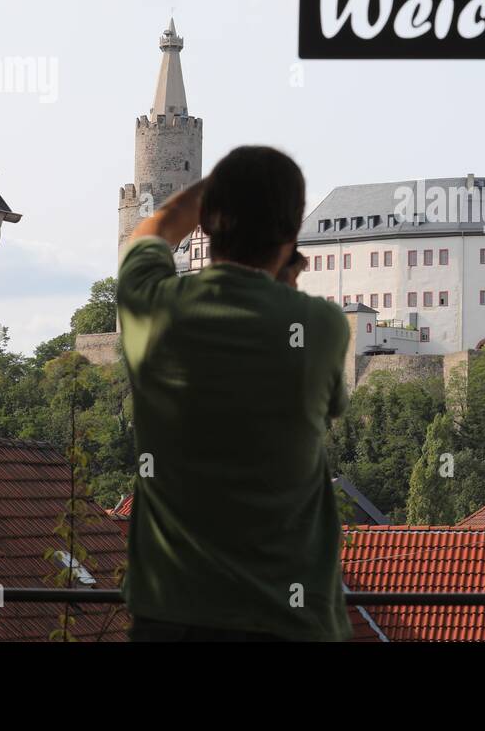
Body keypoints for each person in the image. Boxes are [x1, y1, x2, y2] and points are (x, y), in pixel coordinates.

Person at [116, 145, 351, 641]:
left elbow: (149, 232)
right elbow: (327, 408)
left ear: (209, 222)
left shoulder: (153, 309)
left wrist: (209, 190)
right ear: (290, 237)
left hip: (173, 617)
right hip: (293, 621)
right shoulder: (321, 326)